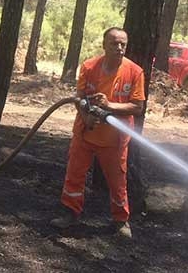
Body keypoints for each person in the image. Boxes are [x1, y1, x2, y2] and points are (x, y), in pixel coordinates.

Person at [50, 27, 145, 239]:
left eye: (123, 44)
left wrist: (109, 106)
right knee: (74, 174)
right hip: (86, 132)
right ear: (104, 44)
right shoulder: (89, 66)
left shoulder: (135, 72)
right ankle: (69, 213)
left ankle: (121, 221)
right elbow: (80, 97)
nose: (119, 48)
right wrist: (86, 117)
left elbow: (137, 107)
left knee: (117, 181)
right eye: (114, 43)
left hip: (114, 139)